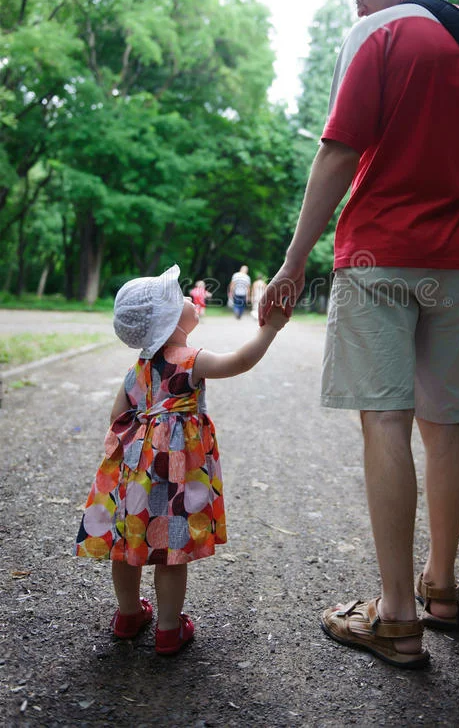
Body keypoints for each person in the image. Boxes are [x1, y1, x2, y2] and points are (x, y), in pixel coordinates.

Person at [260, 0, 459, 669]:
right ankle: (440, 589)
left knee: (384, 421)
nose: (357, 4)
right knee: (442, 421)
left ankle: (394, 618)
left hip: (379, 253)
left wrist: (293, 264)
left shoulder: (378, 33)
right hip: (458, 261)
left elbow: (338, 150)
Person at [75, 264, 288, 655]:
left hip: (136, 471)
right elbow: (240, 362)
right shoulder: (190, 360)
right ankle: (169, 630)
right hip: (173, 474)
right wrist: (270, 328)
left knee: (129, 542)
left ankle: (127, 615)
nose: (192, 298)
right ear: (171, 320)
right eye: (183, 298)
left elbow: (116, 419)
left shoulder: (135, 370)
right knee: (170, 548)